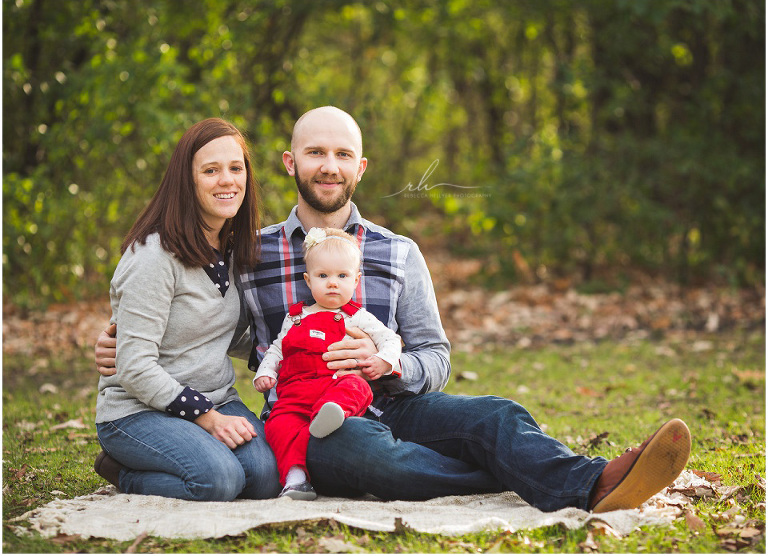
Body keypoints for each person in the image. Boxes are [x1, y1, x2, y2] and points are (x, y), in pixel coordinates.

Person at [96, 106, 691, 513]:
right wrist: (120, 343)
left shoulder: (399, 253)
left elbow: (437, 355)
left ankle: (594, 481)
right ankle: (534, 476)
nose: (328, 165)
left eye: (342, 154)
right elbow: (218, 328)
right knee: (372, 457)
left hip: (400, 405)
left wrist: (392, 365)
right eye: (315, 153)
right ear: (288, 163)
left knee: (498, 416)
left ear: (360, 167)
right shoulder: (251, 254)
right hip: (318, 422)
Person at [93, 118, 281, 501]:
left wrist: (291, 347)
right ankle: (121, 471)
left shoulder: (232, 248)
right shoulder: (153, 256)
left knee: (266, 478)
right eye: (210, 170)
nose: (227, 180)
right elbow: (135, 366)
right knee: (220, 481)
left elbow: (234, 335)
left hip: (217, 397)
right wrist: (207, 419)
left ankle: (201, 453)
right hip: (137, 410)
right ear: (188, 181)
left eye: (235, 168)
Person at [254, 227, 402, 500]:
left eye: (342, 276)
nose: (333, 283)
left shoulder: (356, 316)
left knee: (358, 386)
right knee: (278, 424)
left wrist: (383, 361)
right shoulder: (296, 316)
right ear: (308, 281)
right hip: (295, 393)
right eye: (323, 276)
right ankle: (295, 479)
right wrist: (265, 373)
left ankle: (330, 413)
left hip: (334, 386)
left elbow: (389, 339)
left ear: (356, 280)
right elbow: (277, 349)